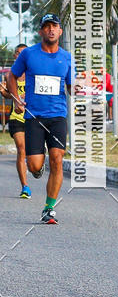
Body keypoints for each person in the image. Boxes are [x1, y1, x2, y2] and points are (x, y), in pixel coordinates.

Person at [6, 13, 73, 225]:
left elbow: (71, 86)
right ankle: (37, 166)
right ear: (41, 31)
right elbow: (11, 76)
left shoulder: (67, 57)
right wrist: (16, 99)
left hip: (58, 116)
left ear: (60, 31)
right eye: (47, 27)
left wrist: (80, 89)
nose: (51, 30)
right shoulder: (29, 54)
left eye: (55, 26)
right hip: (34, 117)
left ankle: (49, 208)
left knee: (57, 159)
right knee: (34, 166)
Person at [0, 44, 31, 198]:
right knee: (21, 149)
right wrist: (3, 92)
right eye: (18, 53)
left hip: (34, 118)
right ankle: (25, 187)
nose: (20, 55)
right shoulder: (10, 75)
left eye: (24, 53)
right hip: (16, 117)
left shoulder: (33, 73)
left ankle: (36, 167)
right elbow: (9, 95)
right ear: (14, 56)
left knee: (34, 156)